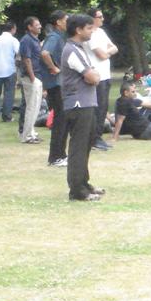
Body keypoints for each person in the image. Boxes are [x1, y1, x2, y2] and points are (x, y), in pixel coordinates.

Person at [60, 14, 103, 201]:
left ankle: (84, 183)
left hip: (86, 103)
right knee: (78, 146)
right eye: (89, 28)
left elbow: (94, 75)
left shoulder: (80, 49)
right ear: (78, 30)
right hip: (78, 104)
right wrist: (93, 76)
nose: (92, 31)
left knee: (86, 144)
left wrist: (93, 75)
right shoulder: (72, 50)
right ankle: (77, 190)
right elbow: (93, 77)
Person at [87, 7, 118, 151]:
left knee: (104, 107)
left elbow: (114, 47)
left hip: (106, 75)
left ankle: (98, 137)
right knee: (97, 108)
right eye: (100, 17)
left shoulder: (101, 32)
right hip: (96, 76)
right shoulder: (90, 35)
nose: (102, 19)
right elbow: (102, 55)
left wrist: (107, 52)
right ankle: (93, 138)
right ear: (92, 18)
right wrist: (107, 52)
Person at [39, 10, 68, 165]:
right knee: (60, 120)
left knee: (63, 119)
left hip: (58, 84)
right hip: (55, 84)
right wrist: (54, 68)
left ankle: (61, 154)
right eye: (66, 20)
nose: (68, 23)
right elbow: (45, 53)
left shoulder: (59, 37)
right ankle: (55, 157)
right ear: (58, 22)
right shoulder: (54, 37)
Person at [17, 16, 43, 144]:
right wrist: (32, 78)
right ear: (30, 27)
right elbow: (26, 59)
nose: (40, 26)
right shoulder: (26, 40)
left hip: (36, 76)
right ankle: (26, 136)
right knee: (31, 107)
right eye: (37, 25)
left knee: (35, 107)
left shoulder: (35, 40)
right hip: (30, 78)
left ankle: (31, 133)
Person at [0, 22, 19, 123]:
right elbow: (19, 53)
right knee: (9, 93)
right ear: (13, 29)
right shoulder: (13, 40)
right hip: (9, 69)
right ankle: (7, 116)